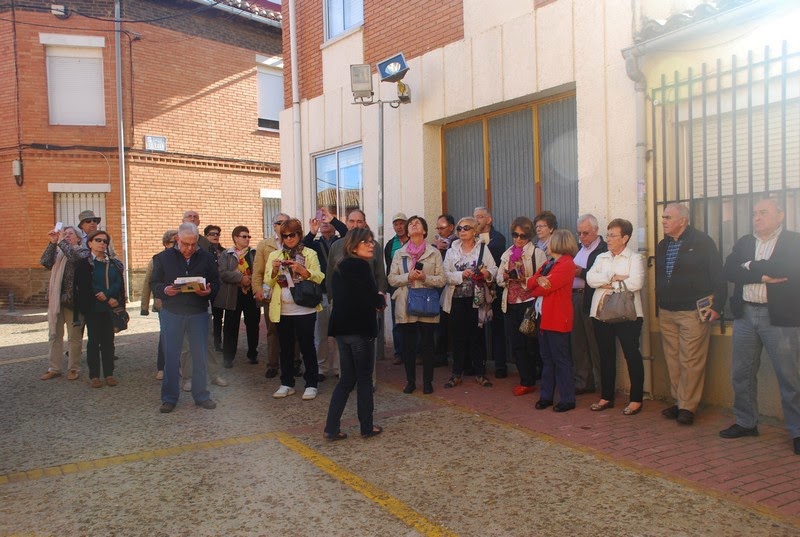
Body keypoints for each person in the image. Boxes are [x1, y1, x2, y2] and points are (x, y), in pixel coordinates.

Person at [719, 198, 800, 456]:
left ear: (780, 215)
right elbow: (729, 270)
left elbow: (789, 269)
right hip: (745, 315)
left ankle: (797, 431)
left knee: (789, 377)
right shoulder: (745, 242)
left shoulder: (793, 241)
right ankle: (746, 422)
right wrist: (761, 274)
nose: (757, 218)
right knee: (741, 373)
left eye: (764, 212)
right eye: (755, 213)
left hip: (779, 319)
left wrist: (750, 266)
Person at [656, 203, 726, 426]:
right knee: (673, 359)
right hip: (667, 311)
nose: (663, 221)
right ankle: (679, 401)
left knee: (691, 360)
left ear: (683, 221)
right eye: (663, 217)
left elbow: (718, 275)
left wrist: (718, 306)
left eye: (668, 217)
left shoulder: (702, 242)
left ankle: (688, 407)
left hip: (692, 312)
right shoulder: (663, 244)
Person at [323, 228, 386, 441]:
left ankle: (331, 428)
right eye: (366, 242)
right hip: (359, 330)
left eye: (372, 241)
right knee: (364, 379)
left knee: (347, 380)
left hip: (342, 330)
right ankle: (367, 427)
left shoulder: (340, 266)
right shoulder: (361, 266)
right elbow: (372, 298)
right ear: (354, 246)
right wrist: (380, 298)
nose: (371, 245)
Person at [151, 222, 220, 413]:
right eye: (185, 244)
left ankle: (201, 395)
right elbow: (154, 283)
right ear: (177, 239)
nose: (189, 248)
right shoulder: (163, 257)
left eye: (193, 244)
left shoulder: (206, 257)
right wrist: (165, 290)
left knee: (199, 355)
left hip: (198, 312)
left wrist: (209, 291)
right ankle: (169, 398)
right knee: (171, 357)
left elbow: (216, 282)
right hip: (172, 312)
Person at [587, 218, 646, 416]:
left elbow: (636, 283)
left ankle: (636, 399)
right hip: (601, 313)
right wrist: (614, 278)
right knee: (606, 355)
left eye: (613, 235)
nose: (608, 239)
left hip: (628, 314)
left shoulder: (634, 258)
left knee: (631, 354)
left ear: (625, 238)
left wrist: (606, 284)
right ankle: (606, 397)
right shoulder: (601, 257)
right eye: (608, 234)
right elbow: (590, 278)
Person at [265, 218, 325, 401]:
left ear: (299, 235)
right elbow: (268, 281)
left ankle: (311, 383)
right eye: (285, 236)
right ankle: (287, 383)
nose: (289, 239)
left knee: (307, 346)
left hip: (304, 308)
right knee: (285, 348)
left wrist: (304, 271)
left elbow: (319, 276)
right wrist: (274, 271)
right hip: (283, 309)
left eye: (292, 235)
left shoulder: (309, 253)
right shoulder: (275, 255)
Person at [388, 216, 445, 394]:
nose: (413, 225)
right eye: (411, 223)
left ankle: (428, 382)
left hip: (427, 301)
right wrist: (408, 277)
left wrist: (425, 278)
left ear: (424, 230)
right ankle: (410, 381)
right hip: (406, 301)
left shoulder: (434, 252)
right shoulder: (399, 253)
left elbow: (442, 279)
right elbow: (392, 279)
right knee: (408, 345)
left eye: (417, 223)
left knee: (428, 344)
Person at [441, 216, 498, 388]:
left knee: (477, 336)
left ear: (474, 231)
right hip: (456, 299)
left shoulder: (482, 249)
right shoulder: (452, 250)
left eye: (466, 228)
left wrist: (487, 273)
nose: (462, 231)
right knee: (458, 337)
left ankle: (480, 373)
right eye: (459, 228)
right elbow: (445, 274)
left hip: (476, 299)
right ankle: (456, 373)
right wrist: (461, 275)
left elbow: (494, 269)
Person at [527, 229, 578, 412]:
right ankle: (546, 396)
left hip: (557, 317)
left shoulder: (567, 264)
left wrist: (536, 286)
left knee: (561, 359)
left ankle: (567, 398)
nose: (547, 244)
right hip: (544, 317)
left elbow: (547, 287)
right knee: (547, 359)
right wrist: (538, 281)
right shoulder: (549, 263)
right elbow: (531, 282)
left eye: (550, 242)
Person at [496, 216, 546, 396]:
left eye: (522, 236)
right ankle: (525, 380)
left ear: (529, 236)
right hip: (510, 303)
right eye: (515, 235)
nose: (518, 239)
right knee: (516, 343)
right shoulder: (507, 253)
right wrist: (505, 278)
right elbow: (498, 278)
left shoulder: (537, 253)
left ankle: (536, 377)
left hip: (529, 303)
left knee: (531, 343)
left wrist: (524, 280)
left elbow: (542, 279)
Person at [74, 230, 125, 388]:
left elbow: (118, 282)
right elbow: (85, 284)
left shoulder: (113, 263)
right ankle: (94, 375)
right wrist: (99, 294)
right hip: (93, 307)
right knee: (93, 342)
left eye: (105, 241)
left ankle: (109, 374)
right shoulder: (84, 263)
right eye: (98, 240)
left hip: (110, 307)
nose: (102, 243)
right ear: (89, 243)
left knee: (108, 342)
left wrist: (109, 296)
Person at [40, 225, 90, 381]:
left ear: (78, 238)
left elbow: (74, 258)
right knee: (54, 335)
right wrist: (53, 242)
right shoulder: (59, 252)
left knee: (74, 337)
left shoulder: (83, 252)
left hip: (73, 302)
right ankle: (54, 368)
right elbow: (45, 262)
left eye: (70, 234)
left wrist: (62, 241)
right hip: (56, 301)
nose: (67, 235)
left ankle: (74, 368)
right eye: (65, 233)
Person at [304, 207, 348, 380]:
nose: (324, 223)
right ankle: (321, 367)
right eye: (320, 220)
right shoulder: (314, 244)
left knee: (339, 333)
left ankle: (338, 368)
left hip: (339, 294)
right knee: (321, 335)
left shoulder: (342, 242)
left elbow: (348, 233)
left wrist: (334, 219)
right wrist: (311, 232)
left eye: (326, 220)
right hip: (321, 293)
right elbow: (301, 247)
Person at [571, 214, 607, 395]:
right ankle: (583, 382)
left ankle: (603, 384)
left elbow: (603, 275)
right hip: (575, 297)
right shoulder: (578, 248)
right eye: (579, 233)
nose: (582, 237)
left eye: (586, 233)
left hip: (591, 298)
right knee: (578, 342)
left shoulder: (603, 250)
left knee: (595, 343)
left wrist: (581, 273)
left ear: (596, 230)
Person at [215, 226, 260, 368]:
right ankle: (228, 357)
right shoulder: (227, 254)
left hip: (250, 294)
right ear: (235, 238)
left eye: (248, 236)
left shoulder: (253, 253)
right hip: (233, 294)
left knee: (253, 324)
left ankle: (252, 353)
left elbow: (259, 272)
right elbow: (223, 273)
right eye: (244, 236)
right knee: (230, 326)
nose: (247, 239)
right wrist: (240, 278)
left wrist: (250, 279)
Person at [253, 212, 291, 379]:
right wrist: (257, 289)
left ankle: (294, 362)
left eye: (286, 222)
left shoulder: (295, 242)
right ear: (274, 226)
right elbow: (258, 270)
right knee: (273, 330)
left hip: (292, 292)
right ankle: (273, 364)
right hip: (272, 292)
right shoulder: (264, 245)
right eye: (279, 223)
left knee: (293, 331)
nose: (283, 225)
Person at [473, 206, 508, 377]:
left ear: (489, 219)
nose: (476, 220)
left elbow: (490, 256)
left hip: (494, 289)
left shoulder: (498, 238)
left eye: (480, 216)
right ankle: (478, 364)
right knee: (477, 327)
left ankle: (500, 366)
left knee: (497, 329)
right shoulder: (471, 239)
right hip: (476, 289)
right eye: (474, 217)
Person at [141, 229, 178, 380]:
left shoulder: (183, 258)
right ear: (165, 244)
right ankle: (162, 367)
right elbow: (148, 282)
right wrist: (144, 307)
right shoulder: (157, 259)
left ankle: (179, 365)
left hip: (181, 303)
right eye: (173, 242)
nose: (176, 245)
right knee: (166, 335)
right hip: (163, 302)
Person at [432, 214, 457, 367]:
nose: (439, 231)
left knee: (454, 324)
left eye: (442, 228)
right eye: (438, 228)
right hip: (438, 288)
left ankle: (455, 355)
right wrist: (436, 248)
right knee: (440, 323)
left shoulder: (457, 243)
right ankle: (440, 355)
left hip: (454, 287)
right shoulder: (435, 244)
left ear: (451, 227)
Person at [385, 212, 409, 364]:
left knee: (414, 318)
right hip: (396, 287)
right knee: (397, 320)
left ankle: (415, 352)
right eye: (396, 224)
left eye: (402, 223)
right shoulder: (389, 245)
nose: (399, 227)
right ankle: (399, 353)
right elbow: (389, 267)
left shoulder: (413, 241)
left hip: (412, 285)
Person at [204, 225, 226, 352]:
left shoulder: (223, 251)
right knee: (206, 316)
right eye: (212, 234)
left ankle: (218, 343)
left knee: (218, 317)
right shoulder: (203, 251)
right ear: (206, 236)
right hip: (208, 287)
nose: (215, 236)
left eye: (217, 234)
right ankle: (206, 343)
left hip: (221, 288)